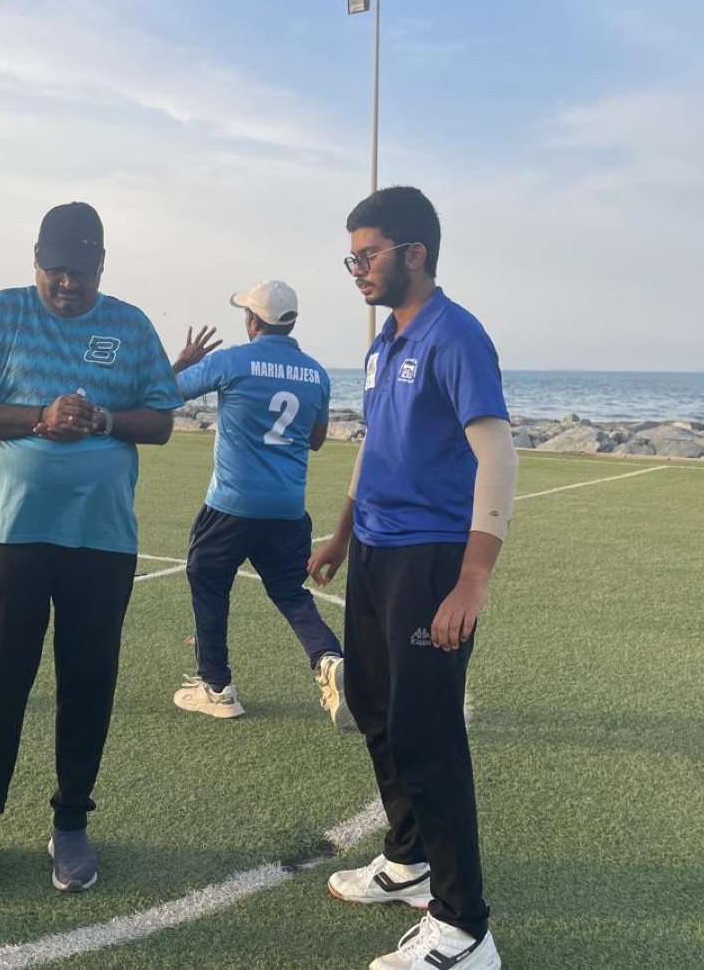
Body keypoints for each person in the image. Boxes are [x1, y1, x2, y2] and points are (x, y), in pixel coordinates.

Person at [0, 201, 179, 900]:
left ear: (102, 266)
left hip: (101, 537)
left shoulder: (130, 325)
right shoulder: (3, 312)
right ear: (36, 261)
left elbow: (161, 420)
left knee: (88, 680)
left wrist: (101, 417)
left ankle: (71, 821)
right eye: (56, 270)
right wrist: (40, 416)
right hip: (12, 532)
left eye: (82, 272)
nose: (68, 284)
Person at [307, 186, 517, 970]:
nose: (357, 270)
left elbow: (498, 456)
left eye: (367, 255)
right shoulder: (383, 344)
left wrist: (472, 580)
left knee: (428, 736)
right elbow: (373, 444)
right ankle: (408, 861)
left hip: (432, 560)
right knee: (373, 706)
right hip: (374, 551)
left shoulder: (455, 336)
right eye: (350, 258)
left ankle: (465, 929)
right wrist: (341, 532)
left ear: (414, 253)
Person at [170, 280, 353, 729]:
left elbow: (166, 393)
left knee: (208, 580)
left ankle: (216, 687)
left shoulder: (232, 360)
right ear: (291, 322)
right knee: (290, 591)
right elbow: (316, 439)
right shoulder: (316, 374)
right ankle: (329, 660)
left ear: (252, 321)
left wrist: (183, 362)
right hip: (287, 508)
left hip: (231, 504)